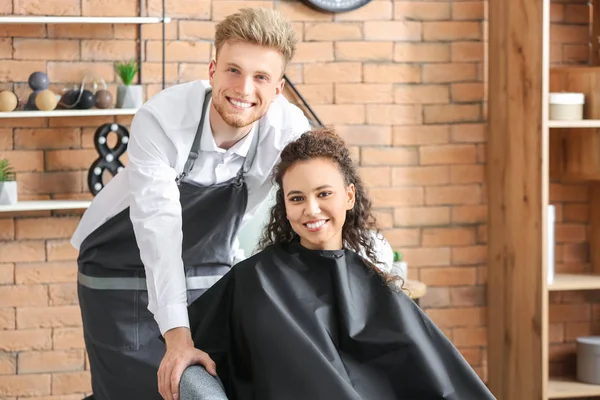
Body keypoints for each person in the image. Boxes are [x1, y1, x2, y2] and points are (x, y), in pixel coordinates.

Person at [70, 8, 312, 400]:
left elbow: (312, 208)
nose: (244, 89)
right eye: (233, 70)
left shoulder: (288, 131)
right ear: (212, 70)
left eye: (261, 77)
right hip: (117, 272)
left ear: (278, 88)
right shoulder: (162, 119)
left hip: (207, 271)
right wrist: (178, 338)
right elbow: (159, 229)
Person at [183, 129, 496, 399]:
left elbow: (437, 375)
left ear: (348, 196)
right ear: (285, 206)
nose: (312, 209)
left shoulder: (374, 283)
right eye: (297, 198)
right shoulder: (253, 280)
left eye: (324, 194)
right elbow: (198, 351)